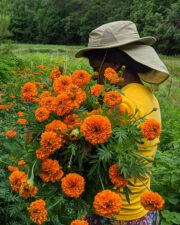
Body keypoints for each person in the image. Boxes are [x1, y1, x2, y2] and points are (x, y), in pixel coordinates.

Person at [75, 21, 170, 225]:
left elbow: (85, 155)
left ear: (115, 66)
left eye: (96, 68)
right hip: (143, 212)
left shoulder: (121, 104)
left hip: (116, 215)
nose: (95, 77)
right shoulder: (147, 95)